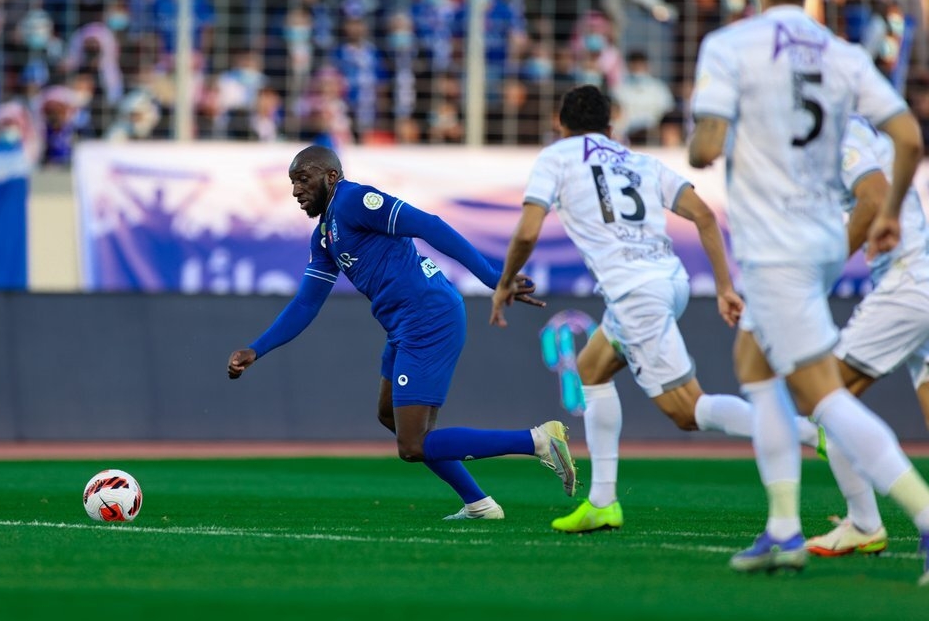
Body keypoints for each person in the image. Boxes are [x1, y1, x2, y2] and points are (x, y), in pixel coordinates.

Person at [688, 0, 929, 580]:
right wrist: (890, 214)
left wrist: (706, 141)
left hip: (777, 245)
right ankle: (784, 529)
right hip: (819, 243)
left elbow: (705, 147)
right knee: (757, 363)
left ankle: (917, 515)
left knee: (825, 396)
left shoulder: (732, 45)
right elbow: (908, 137)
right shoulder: (842, 54)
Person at [227, 145, 578, 520]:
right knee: (389, 415)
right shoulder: (325, 235)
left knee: (412, 445)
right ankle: (479, 504)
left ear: (331, 176)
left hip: (428, 317)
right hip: (404, 325)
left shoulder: (354, 200)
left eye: (303, 179)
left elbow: (430, 225)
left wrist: (494, 278)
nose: (296, 190)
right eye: (292, 182)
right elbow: (306, 304)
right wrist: (256, 349)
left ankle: (538, 440)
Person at [491, 85, 752, 532]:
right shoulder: (639, 161)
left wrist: (504, 283)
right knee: (592, 368)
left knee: (688, 412)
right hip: (670, 280)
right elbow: (706, 216)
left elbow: (528, 232)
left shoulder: (557, 157)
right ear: (610, 125)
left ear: (560, 123)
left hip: (636, 294)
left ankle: (808, 431)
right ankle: (602, 502)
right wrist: (725, 287)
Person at [803, 115, 929, 556]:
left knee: (825, 396)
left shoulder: (840, 132)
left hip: (905, 282)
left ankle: (865, 522)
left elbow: (872, 198)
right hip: (920, 273)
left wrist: (822, 271)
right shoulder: (862, 131)